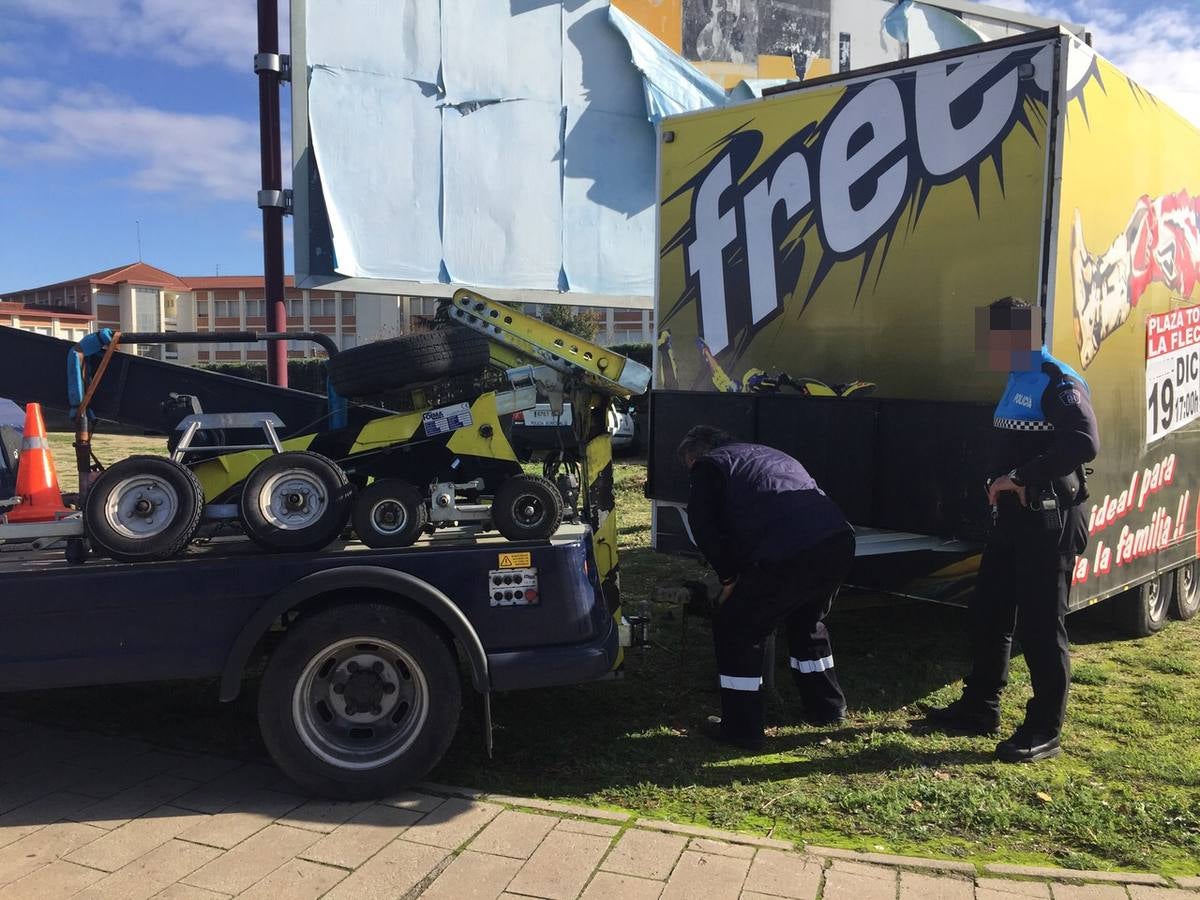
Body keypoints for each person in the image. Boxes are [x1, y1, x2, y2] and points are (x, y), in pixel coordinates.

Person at [925, 297, 1099, 762]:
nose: (986, 348)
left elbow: (1084, 441)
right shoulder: (1015, 377)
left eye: (993, 339)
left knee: (1042, 625)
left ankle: (1044, 729)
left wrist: (1021, 477)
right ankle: (980, 707)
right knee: (988, 611)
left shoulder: (1055, 379)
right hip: (1014, 522)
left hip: (1051, 521)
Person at [679, 425, 856, 751]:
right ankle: (828, 708)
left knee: (737, 628)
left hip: (790, 551)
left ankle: (741, 728)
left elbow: (703, 525)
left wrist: (729, 579)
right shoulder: (767, 455)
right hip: (837, 540)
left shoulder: (709, 465)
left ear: (694, 457)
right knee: (806, 620)